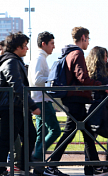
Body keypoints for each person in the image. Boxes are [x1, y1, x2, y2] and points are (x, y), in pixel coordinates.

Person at [44, 27, 108, 176]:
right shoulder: (77, 53)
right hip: (75, 99)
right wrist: (101, 85)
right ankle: (51, 166)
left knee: (87, 133)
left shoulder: (69, 53)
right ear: (83, 37)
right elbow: (82, 78)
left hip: (74, 99)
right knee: (70, 133)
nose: (88, 42)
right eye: (88, 39)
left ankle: (94, 166)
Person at [0, 32, 41, 176]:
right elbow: (17, 85)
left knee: (29, 135)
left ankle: (23, 166)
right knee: (7, 139)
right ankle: (1, 170)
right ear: (17, 47)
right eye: (25, 46)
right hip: (11, 106)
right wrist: (32, 106)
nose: (27, 48)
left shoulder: (14, 60)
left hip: (17, 106)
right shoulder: (11, 62)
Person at [28, 32, 61, 174]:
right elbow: (37, 80)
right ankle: (36, 156)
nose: (54, 46)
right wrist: (52, 79)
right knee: (55, 130)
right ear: (44, 44)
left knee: (42, 134)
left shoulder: (40, 58)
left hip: (39, 99)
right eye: (52, 43)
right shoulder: (39, 58)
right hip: (42, 100)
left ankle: (38, 166)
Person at [86, 47, 108, 173]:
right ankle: (107, 163)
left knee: (90, 137)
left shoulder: (90, 69)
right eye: (105, 56)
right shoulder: (100, 71)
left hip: (93, 105)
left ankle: (90, 165)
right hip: (100, 107)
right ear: (100, 58)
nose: (107, 59)